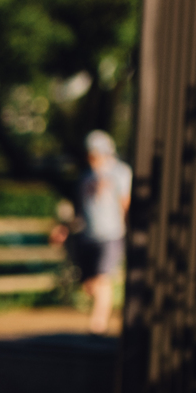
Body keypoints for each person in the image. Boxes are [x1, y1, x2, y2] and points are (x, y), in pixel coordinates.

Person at [60, 128, 132, 334]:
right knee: (90, 284)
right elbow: (80, 210)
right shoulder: (85, 177)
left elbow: (124, 203)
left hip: (112, 234)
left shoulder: (121, 173)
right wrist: (67, 228)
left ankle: (97, 325)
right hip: (87, 234)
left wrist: (127, 231)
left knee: (102, 279)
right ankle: (98, 322)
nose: (91, 157)